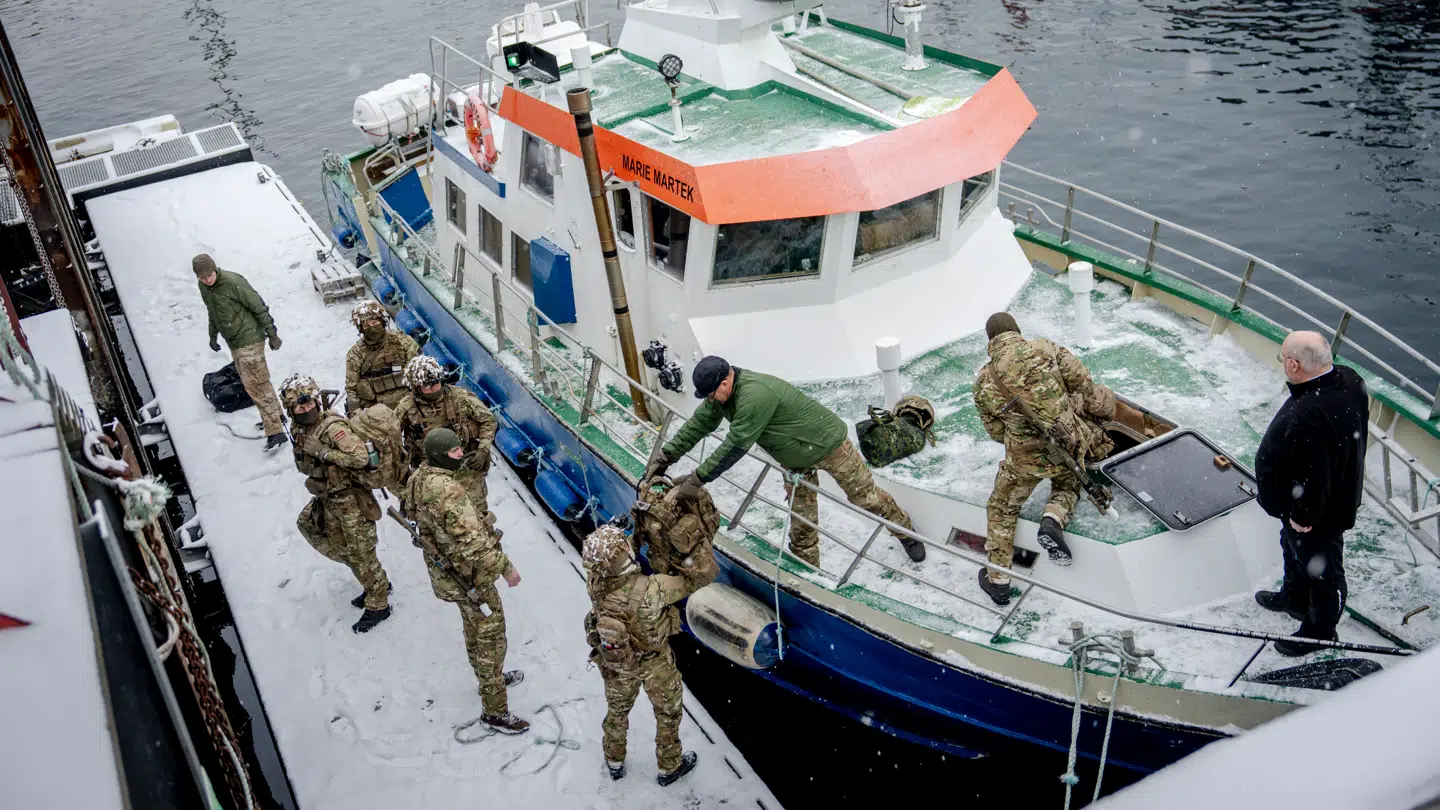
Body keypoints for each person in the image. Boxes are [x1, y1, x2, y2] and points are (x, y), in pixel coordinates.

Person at [649, 356, 926, 567]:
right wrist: (666, 456)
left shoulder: (754, 395)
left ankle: (905, 531)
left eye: (711, 394)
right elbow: (698, 425)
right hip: (795, 462)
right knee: (801, 519)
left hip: (829, 446)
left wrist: (697, 480)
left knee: (867, 499)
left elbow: (735, 445)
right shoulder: (722, 396)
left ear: (725, 382)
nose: (710, 400)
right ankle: (807, 571)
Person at [972, 313, 1114, 606]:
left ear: (991, 341)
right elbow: (1082, 381)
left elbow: (996, 431)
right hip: (1068, 443)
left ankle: (998, 581)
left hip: (1024, 459)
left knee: (1002, 507)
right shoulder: (1045, 348)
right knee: (1068, 483)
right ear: (1016, 330)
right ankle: (1052, 519)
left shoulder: (984, 381)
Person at [406, 428, 528, 732]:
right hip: (471, 577)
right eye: (454, 453)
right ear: (439, 456)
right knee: (490, 637)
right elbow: (474, 545)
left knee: (473, 629)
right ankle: (495, 711)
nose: (461, 455)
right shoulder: (449, 491)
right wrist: (507, 568)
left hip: (451, 575)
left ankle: (490, 681)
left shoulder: (419, 478)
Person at [1253, 331, 1367, 656]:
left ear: (1293, 365)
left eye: (1282, 360)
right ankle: (1294, 597)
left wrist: (1303, 516)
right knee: (1292, 548)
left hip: (1317, 513)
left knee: (1323, 570)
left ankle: (1320, 631)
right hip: (1326, 499)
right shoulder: (1349, 380)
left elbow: (1312, 474)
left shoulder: (1309, 415)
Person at [582, 524, 698, 786]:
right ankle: (670, 766)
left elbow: (610, 564)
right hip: (655, 662)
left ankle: (614, 760)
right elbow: (690, 581)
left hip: (618, 663)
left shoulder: (595, 582)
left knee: (617, 711)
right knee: (667, 714)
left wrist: (628, 540)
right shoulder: (653, 588)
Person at [280, 374, 393, 633]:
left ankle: (379, 602)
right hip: (329, 498)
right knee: (310, 526)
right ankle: (375, 580)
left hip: (349, 500)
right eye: (299, 406)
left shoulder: (332, 429)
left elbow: (360, 457)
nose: (306, 409)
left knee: (360, 553)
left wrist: (323, 452)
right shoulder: (300, 428)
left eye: (309, 404)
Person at [394, 355, 500, 533]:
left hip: (465, 465)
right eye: (426, 386)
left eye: (436, 383)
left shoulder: (460, 397)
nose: (433, 388)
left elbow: (488, 421)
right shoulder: (406, 408)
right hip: (430, 473)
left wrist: (483, 450)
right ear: (416, 388)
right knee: (441, 519)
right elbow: (392, 439)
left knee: (478, 515)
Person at [195, 253, 287, 451]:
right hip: (234, 342)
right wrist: (213, 335)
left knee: (256, 385)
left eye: (209, 276)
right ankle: (277, 416)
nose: (206, 280)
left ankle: (276, 432)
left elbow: (258, 306)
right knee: (257, 381)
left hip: (250, 338)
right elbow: (212, 311)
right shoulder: (204, 287)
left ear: (214, 269)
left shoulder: (233, 282)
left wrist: (272, 334)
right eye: (202, 278)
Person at [344, 300, 419, 414]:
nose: (372, 327)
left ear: (382, 321)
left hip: (407, 401)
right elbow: (351, 388)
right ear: (361, 328)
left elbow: (418, 370)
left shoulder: (402, 340)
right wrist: (355, 414)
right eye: (366, 325)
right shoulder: (356, 353)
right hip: (375, 408)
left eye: (374, 322)